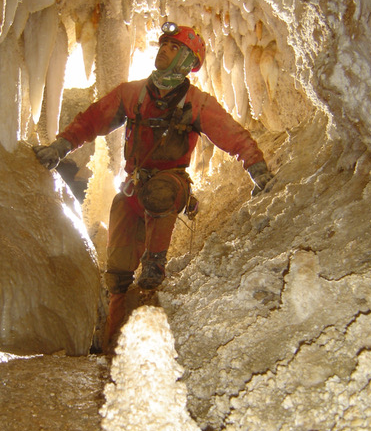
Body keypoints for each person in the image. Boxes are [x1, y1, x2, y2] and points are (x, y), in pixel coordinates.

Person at [33, 22, 273, 351]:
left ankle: (154, 270)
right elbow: (93, 119)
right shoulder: (133, 95)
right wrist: (61, 146)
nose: (164, 50)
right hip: (133, 189)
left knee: (160, 192)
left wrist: (256, 166)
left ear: (189, 62)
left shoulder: (196, 103)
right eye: (164, 45)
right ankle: (110, 346)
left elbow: (231, 134)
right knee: (116, 274)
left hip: (170, 184)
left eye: (175, 48)